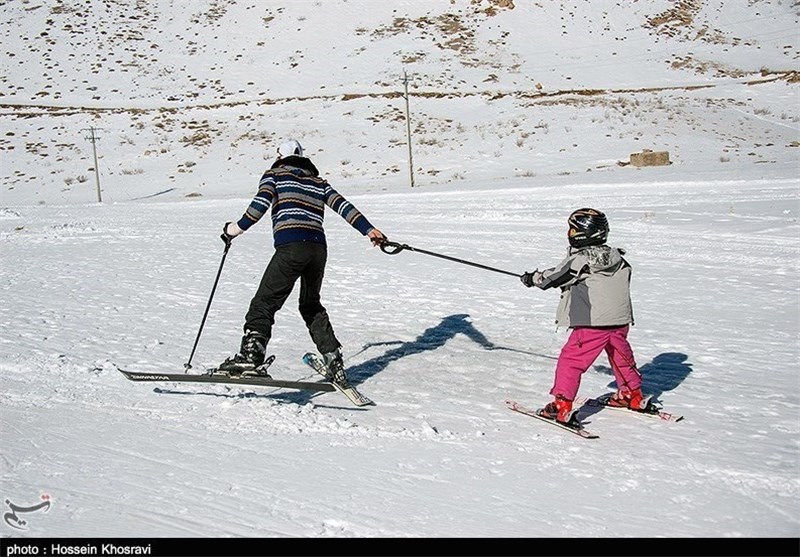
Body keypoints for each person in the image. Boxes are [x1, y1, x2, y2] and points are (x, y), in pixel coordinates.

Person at [218, 139, 387, 385]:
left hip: (291, 247)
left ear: (279, 156)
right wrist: (370, 230)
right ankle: (333, 358)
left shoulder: (274, 175)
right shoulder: (318, 182)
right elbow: (343, 206)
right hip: (318, 250)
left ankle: (251, 356)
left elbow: (259, 205)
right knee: (310, 304)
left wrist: (233, 229)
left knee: (264, 302)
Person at [520, 208, 646, 424]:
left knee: (571, 361)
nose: (569, 233)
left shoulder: (581, 260)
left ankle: (561, 404)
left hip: (592, 324)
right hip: (619, 321)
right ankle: (632, 395)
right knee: (621, 358)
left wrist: (533, 278)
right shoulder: (619, 258)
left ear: (582, 233)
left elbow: (552, 278)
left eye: (572, 229)